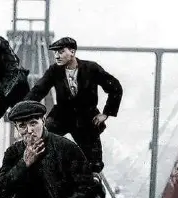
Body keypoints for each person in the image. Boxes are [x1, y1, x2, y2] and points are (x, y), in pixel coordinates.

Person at [25, 37, 123, 173]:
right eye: (55, 53)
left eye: (60, 52)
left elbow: (115, 87)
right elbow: (38, 91)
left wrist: (106, 113)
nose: (57, 56)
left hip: (87, 118)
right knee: (41, 142)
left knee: (94, 163)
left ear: (72, 52)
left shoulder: (91, 68)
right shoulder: (54, 70)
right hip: (61, 117)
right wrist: (23, 110)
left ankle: (92, 181)